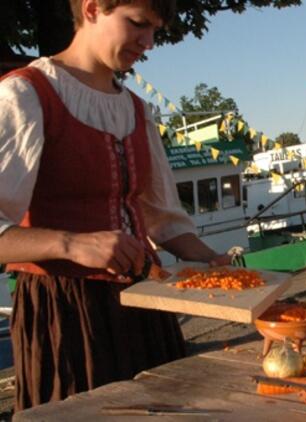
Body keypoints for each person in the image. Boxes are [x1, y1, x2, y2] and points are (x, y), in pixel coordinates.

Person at [0, 0, 231, 411]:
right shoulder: (25, 94)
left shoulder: (137, 110)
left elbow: (162, 219)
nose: (149, 43)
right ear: (91, 8)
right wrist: (69, 244)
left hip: (145, 302)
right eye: (138, 24)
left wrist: (212, 260)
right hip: (66, 312)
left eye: (155, 30)